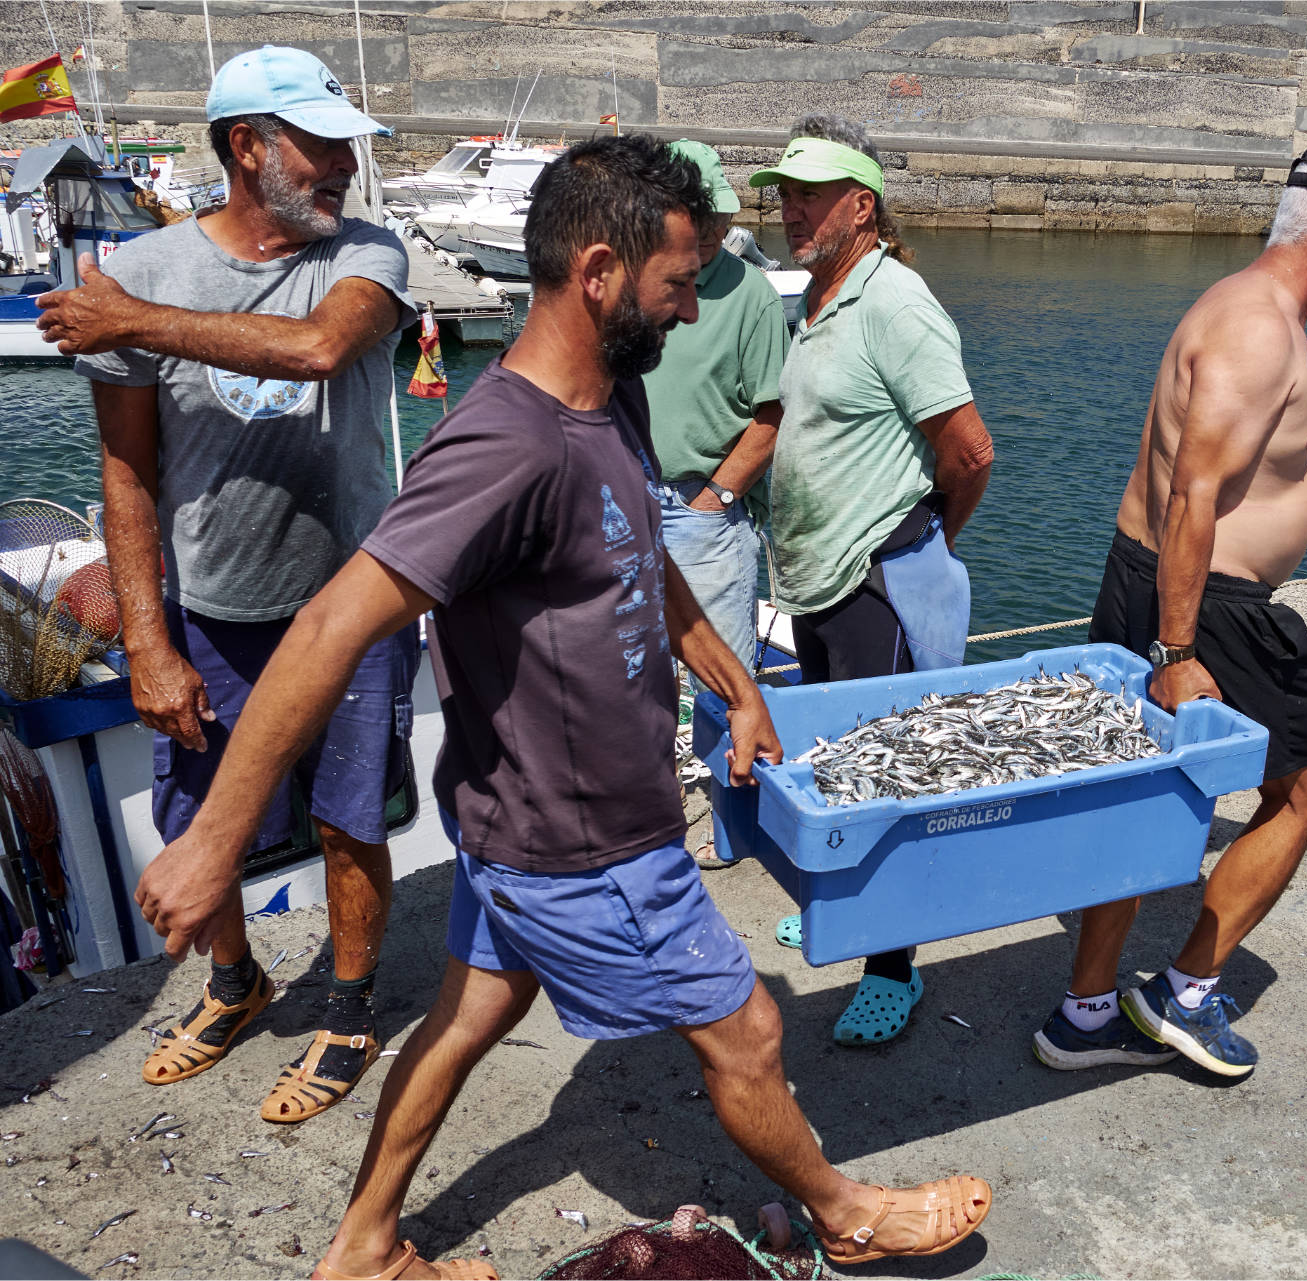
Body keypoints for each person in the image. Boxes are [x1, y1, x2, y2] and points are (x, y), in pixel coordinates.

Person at [129, 134, 991, 1279]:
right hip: (586, 843)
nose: (690, 311)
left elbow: (647, 559)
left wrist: (738, 690)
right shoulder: (505, 445)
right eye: (677, 283)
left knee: (463, 1021)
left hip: (521, 822)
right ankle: (843, 1212)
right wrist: (213, 841)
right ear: (597, 273)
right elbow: (330, 627)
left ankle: (363, 1248)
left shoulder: (608, 398)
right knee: (749, 1032)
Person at [37, 45, 420, 1123]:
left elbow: (314, 351)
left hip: (352, 601)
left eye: (348, 143)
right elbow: (126, 482)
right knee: (197, 816)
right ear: (246, 147)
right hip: (213, 608)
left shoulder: (368, 254)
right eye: (320, 142)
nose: (345, 163)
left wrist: (128, 323)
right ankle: (234, 984)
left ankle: (347, 1013)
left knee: (352, 822)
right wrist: (149, 648)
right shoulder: (150, 268)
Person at [1032, 134, 1307, 1079]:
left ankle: (1083, 1017)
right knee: (1305, 791)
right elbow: (1193, 496)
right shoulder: (1262, 329)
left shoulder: (1240, 304)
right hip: (1205, 600)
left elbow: (1231, 462)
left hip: (1149, 572)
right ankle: (1183, 994)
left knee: (1140, 794)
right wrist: (1177, 652)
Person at [747, 114, 994, 1048]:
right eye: (783, 192)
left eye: (810, 194)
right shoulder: (816, 299)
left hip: (875, 577)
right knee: (832, 765)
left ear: (862, 205)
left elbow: (969, 451)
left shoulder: (897, 301)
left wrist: (926, 543)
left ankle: (894, 966)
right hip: (816, 579)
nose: (790, 208)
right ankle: (842, 903)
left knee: (886, 773)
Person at [637, 140, 787, 681]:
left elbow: (773, 416)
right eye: (699, 217)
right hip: (619, 502)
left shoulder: (755, 296)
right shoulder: (625, 280)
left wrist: (714, 499)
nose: (712, 231)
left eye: (719, 218)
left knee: (719, 688)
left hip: (700, 513)